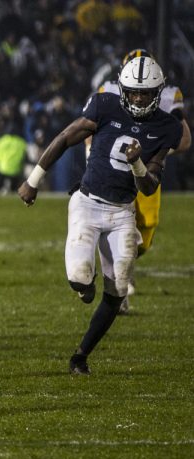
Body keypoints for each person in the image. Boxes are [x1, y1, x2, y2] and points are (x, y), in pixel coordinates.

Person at [18, 56, 182, 375]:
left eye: (145, 93)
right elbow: (66, 137)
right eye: (132, 92)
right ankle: (85, 286)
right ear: (122, 89)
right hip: (87, 202)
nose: (137, 98)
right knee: (79, 277)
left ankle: (80, 356)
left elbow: (149, 187)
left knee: (118, 289)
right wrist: (33, 180)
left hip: (123, 212)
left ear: (157, 93)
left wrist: (137, 164)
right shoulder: (104, 105)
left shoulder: (167, 127)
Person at [92, 49, 191, 312]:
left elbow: (184, 139)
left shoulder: (169, 95)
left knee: (145, 233)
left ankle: (125, 267)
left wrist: (157, 151)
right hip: (114, 172)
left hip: (146, 171)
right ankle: (117, 285)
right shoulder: (108, 91)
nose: (138, 93)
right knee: (115, 230)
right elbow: (90, 129)